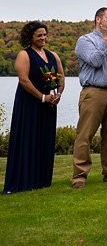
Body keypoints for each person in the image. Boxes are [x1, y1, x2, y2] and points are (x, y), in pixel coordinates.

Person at [2, 22, 64, 194]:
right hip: (29, 104)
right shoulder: (24, 55)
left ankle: (42, 180)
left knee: (45, 139)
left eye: (44, 34)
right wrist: (42, 97)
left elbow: (61, 78)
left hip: (49, 105)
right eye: (39, 35)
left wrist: (57, 95)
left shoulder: (53, 56)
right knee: (28, 138)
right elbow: (24, 81)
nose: (43, 38)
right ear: (30, 37)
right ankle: (25, 179)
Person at [72, 7, 107, 188]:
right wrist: (105, 39)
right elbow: (95, 61)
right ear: (98, 19)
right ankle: (80, 175)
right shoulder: (85, 41)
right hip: (94, 92)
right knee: (85, 135)